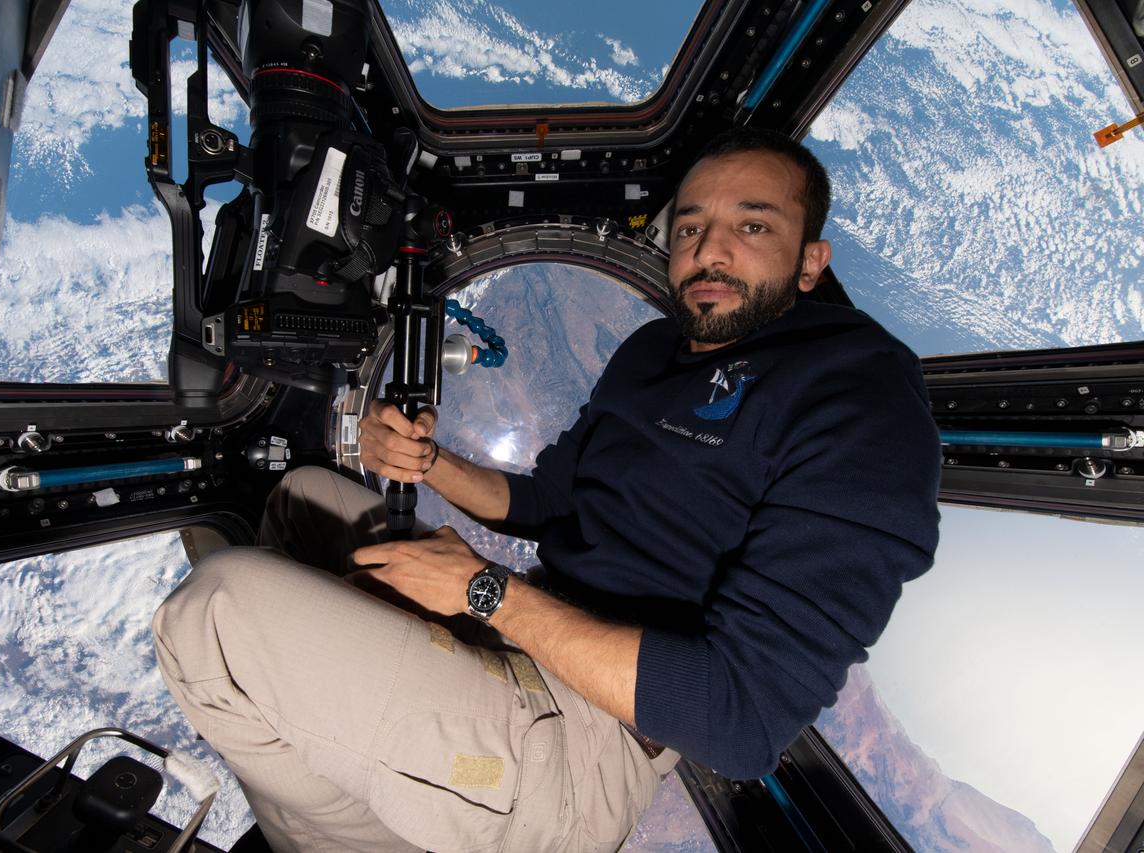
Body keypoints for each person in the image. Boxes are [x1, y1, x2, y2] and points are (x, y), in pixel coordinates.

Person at [152, 127, 941, 852]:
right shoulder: (653, 353)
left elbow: (736, 719)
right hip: (529, 631)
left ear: (811, 261)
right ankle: (391, 789)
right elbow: (545, 504)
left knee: (215, 616)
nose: (711, 250)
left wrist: (484, 590)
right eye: (693, 226)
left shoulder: (864, 399)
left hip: (590, 740)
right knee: (304, 499)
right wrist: (427, 462)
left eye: (754, 225)